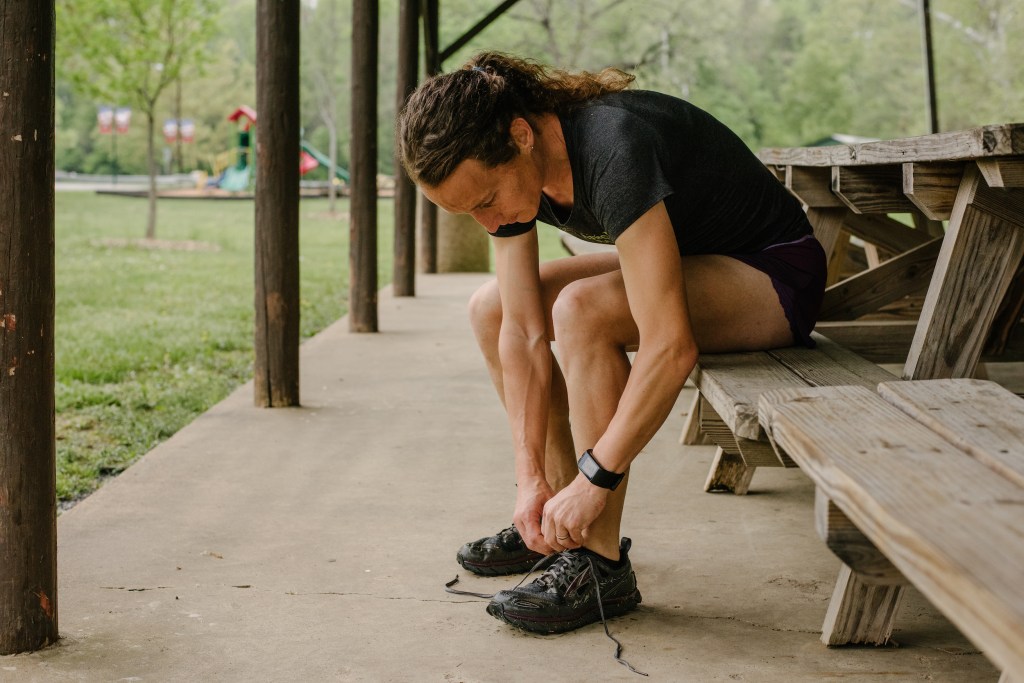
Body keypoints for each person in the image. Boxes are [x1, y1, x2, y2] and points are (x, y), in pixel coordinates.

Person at [397, 52, 825, 635]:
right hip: (692, 260)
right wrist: (530, 481)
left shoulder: (611, 146)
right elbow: (521, 330)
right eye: (468, 211)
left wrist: (596, 478)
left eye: (485, 200)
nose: (489, 223)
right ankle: (555, 527)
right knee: (491, 307)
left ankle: (598, 561)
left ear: (519, 136)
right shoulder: (518, 170)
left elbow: (669, 345)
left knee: (583, 311)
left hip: (771, 276)